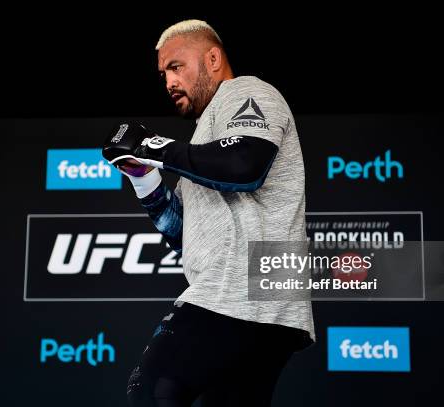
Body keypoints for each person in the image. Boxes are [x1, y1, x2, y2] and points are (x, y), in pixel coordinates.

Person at [102, 19, 315, 407]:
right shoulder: (202, 145)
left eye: (176, 66)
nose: (168, 82)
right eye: (163, 73)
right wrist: (142, 176)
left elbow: (245, 164)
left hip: (242, 291)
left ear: (213, 58)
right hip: (259, 305)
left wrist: (152, 146)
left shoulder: (248, 91)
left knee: (153, 390)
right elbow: (180, 232)